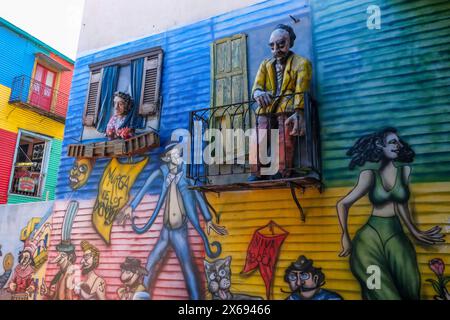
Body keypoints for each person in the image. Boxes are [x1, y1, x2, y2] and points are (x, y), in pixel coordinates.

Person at [336, 127, 445, 299]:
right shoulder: (369, 175)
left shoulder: (404, 171)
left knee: (410, 287)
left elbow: (401, 204)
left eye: (399, 142)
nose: (399, 145)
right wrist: (345, 237)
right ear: (380, 145)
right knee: (383, 293)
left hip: (396, 233)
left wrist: (414, 231)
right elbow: (343, 204)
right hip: (369, 239)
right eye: (393, 142)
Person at [118, 143, 228, 299]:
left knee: (187, 266)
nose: (178, 157)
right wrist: (132, 206)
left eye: (179, 154)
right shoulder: (162, 172)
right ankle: (142, 295)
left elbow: (198, 195)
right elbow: (145, 186)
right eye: (175, 154)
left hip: (179, 231)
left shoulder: (186, 175)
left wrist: (208, 219)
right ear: (167, 158)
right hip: (165, 230)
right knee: (151, 261)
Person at [249, 24, 312, 181]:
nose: (276, 49)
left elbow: (301, 89)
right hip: (267, 106)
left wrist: (299, 112)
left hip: (287, 106)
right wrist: (258, 93)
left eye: (281, 44)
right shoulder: (265, 64)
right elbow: (257, 86)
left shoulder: (301, 63)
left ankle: (282, 171)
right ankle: (257, 172)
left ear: (290, 43)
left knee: (285, 139)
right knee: (259, 136)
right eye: (272, 46)